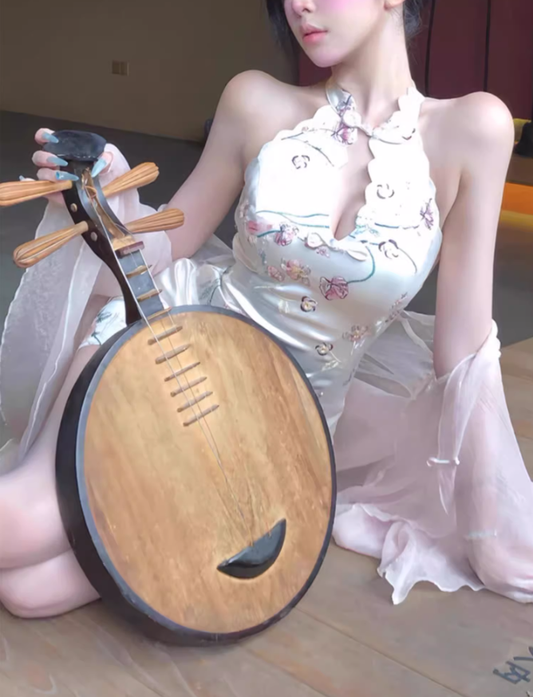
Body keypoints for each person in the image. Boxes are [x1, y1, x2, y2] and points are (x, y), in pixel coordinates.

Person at [0, 0, 531, 618]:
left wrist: (491, 530)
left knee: (30, 594)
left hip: (285, 433)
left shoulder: (473, 129)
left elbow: (464, 351)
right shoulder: (254, 100)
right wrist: (110, 200)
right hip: (166, 343)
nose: (298, 6)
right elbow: (171, 241)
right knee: (22, 523)